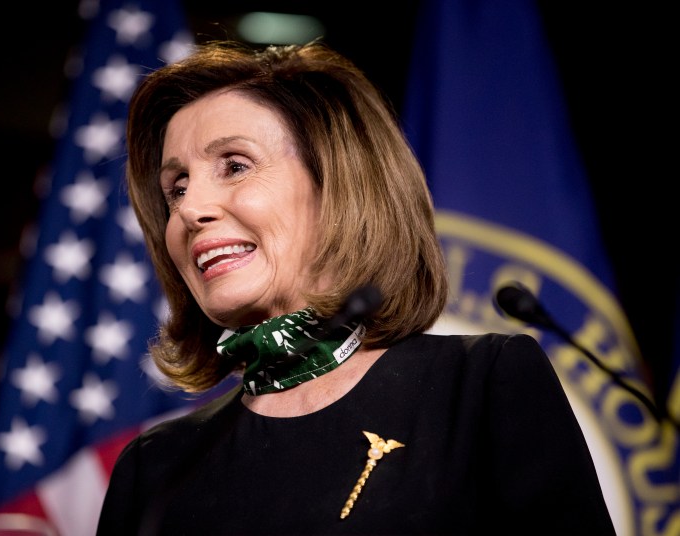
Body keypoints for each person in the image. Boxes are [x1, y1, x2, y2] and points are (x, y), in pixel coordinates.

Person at [96, 40, 616, 535]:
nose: (188, 210)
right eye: (176, 188)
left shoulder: (480, 385)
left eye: (234, 165)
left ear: (338, 183)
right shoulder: (157, 469)